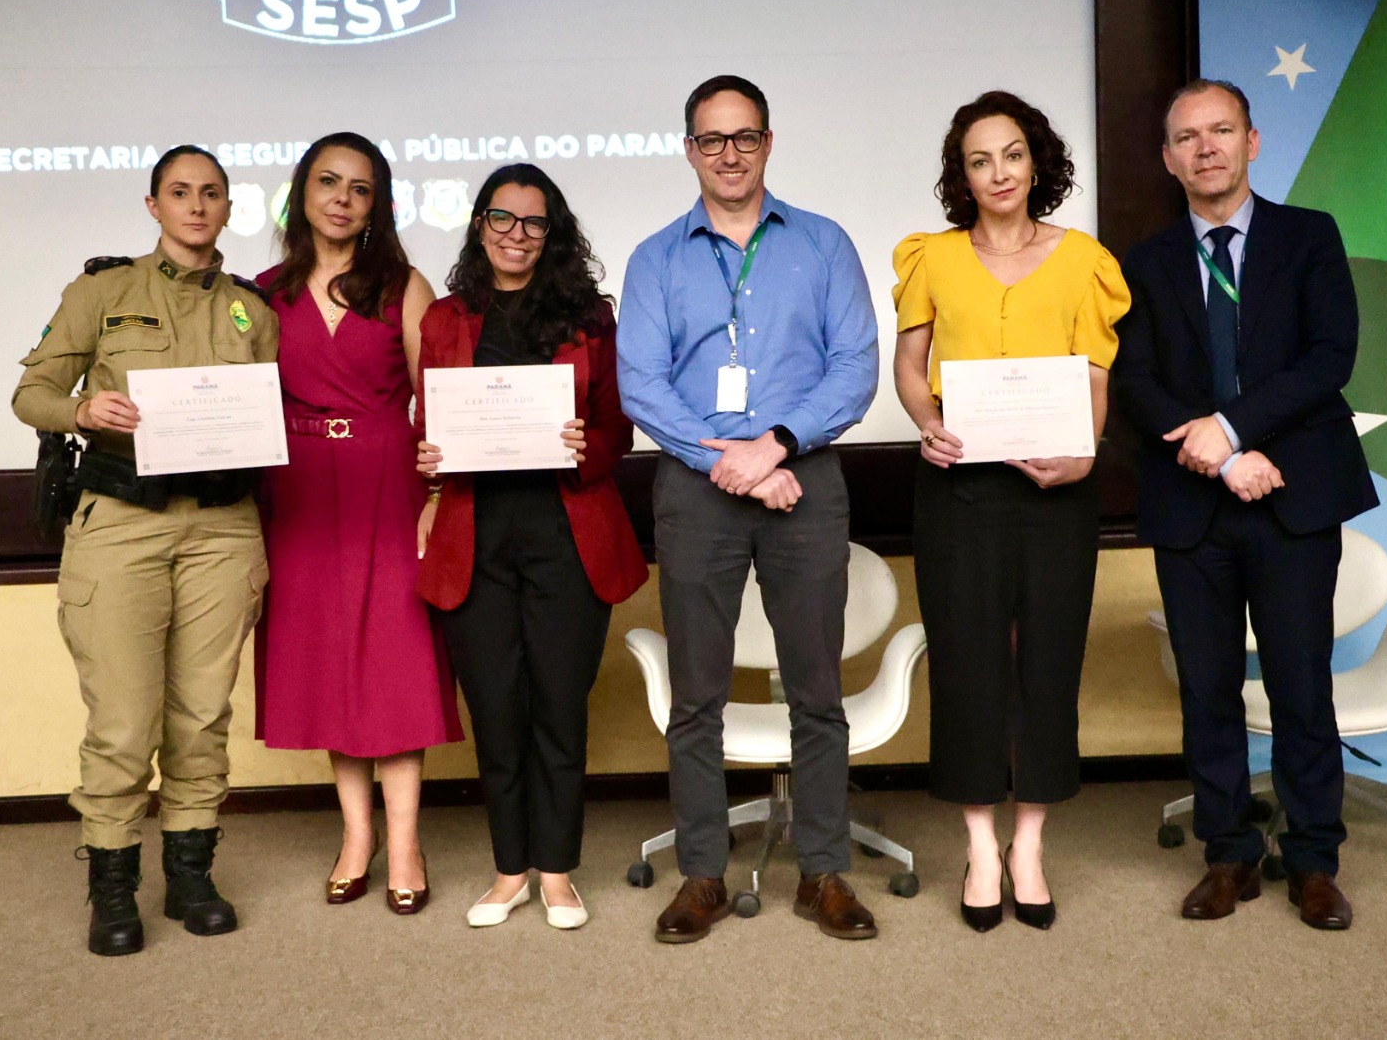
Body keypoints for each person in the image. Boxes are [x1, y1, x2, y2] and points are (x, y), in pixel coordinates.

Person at [618, 75, 881, 943]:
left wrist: (774, 446)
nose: (728, 154)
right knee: (697, 695)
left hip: (804, 480)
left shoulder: (824, 243)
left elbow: (855, 367)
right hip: (697, 493)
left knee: (818, 691)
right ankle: (701, 874)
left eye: (744, 137)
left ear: (768, 143)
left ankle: (824, 872)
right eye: (711, 139)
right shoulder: (656, 258)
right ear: (689, 149)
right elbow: (641, 385)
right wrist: (728, 461)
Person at [1113, 80, 1378, 930]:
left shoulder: (1310, 237)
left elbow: (1329, 357)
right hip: (1193, 504)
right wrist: (1222, 458)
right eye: (1187, 137)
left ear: (1251, 142)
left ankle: (1314, 860)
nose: (1206, 148)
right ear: (1168, 159)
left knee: (1301, 685)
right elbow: (1134, 381)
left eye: (1221, 130)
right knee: (1208, 689)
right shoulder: (1142, 262)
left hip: (1293, 494)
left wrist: (1232, 429)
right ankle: (1228, 853)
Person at [11, 146, 279, 956]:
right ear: (153, 205)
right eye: (180, 192)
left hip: (223, 528)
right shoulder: (102, 292)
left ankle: (191, 876)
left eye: (211, 193)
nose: (197, 206)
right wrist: (84, 410)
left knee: (201, 716)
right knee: (124, 721)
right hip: (123, 522)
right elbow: (31, 394)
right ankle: (113, 885)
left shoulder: (252, 310)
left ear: (228, 207)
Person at [892, 91, 1128, 932]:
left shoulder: (1084, 260)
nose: (999, 172)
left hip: (1054, 493)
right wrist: (927, 421)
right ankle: (980, 845)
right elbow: (910, 364)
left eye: (1013, 154)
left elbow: (1094, 375)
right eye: (980, 160)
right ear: (962, 175)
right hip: (959, 492)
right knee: (967, 666)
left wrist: (1084, 452)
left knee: (1048, 666)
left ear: (1038, 163)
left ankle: (1029, 844)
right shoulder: (931, 257)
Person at [414, 163, 648, 930]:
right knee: (496, 708)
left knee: (558, 706)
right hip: (474, 536)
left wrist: (588, 445)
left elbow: (617, 429)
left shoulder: (590, 318)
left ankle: (556, 870)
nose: (517, 234)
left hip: (566, 534)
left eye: (534, 222)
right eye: (502, 218)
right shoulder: (444, 320)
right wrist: (428, 457)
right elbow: (428, 427)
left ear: (554, 233)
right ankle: (509, 869)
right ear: (479, 224)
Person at [253, 132, 462, 917]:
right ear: (302, 193)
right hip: (298, 490)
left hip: (386, 482)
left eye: (360, 187)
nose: (342, 198)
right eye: (328, 181)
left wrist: (439, 495)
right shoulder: (262, 293)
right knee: (330, 666)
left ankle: (405, 843)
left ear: (378, 205)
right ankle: (356, 837)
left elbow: (436, 396)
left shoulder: (403, 286)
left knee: (392, 664)